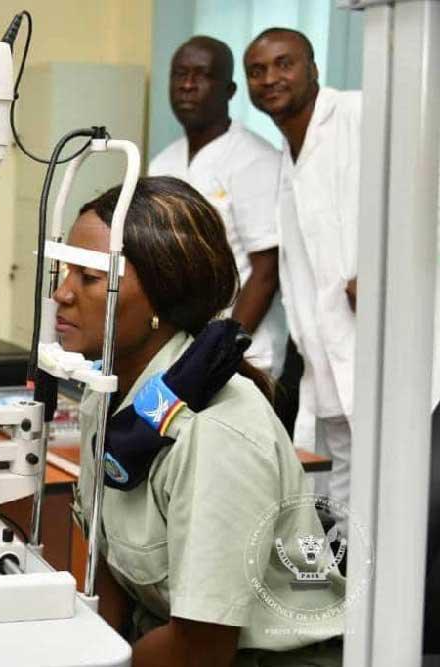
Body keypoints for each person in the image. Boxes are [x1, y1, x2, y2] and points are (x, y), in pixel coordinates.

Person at [58, 177, 343, 665]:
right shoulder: (104, 397)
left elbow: (201, 649)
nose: (63, 293)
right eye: (66, 271)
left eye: (89, 277)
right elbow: (110, 573)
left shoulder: (217, 434)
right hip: (164, 639)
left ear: (160, 299)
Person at [244, 27, 360, 528]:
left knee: (415, 509)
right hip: (328, 362)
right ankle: (352, 598)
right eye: (257, 70)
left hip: (394, 361)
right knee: (351, 510)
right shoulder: (288, 159)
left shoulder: (357, 114)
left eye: (284, 64)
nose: (271, 78)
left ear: (313, 68)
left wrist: (380, 271)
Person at [149, 36, 286, 380]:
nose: (187, 85)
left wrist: (222, 350)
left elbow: (266, 271)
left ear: (229, 89)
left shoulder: (256, 160)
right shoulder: (163, 163)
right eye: (179, 74)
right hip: (177, 348)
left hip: (242, 354)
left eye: (201, 75)